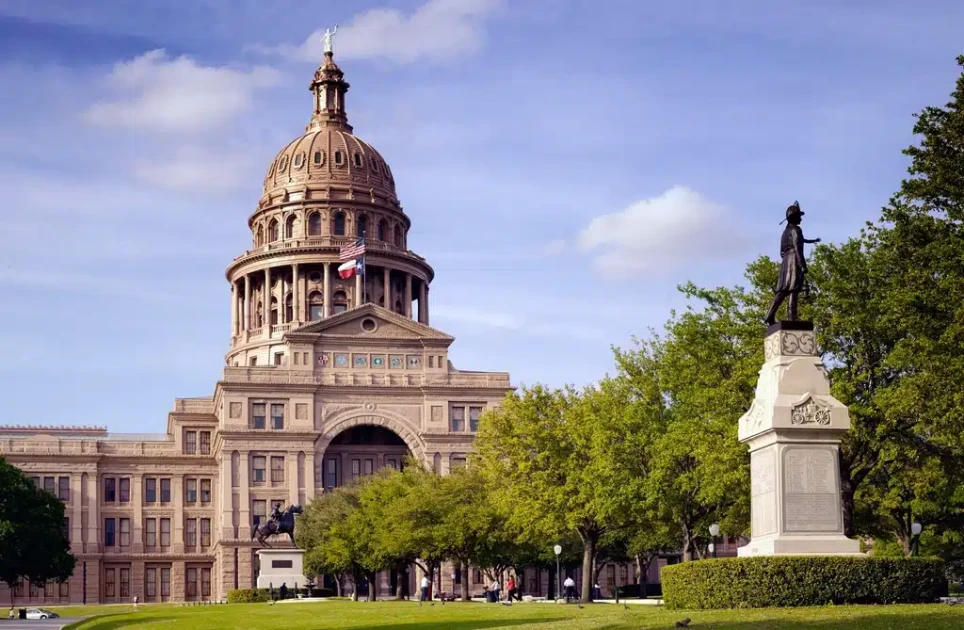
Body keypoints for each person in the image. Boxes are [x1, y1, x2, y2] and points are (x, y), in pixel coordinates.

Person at [764, 201, 821, 325]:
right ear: (794, 217)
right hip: (794, 260)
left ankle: (769, 315)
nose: (801, 218)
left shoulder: (785, 233)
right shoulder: (796, 229)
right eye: (799, 216)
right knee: (793, 289)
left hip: (785, 261)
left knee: (783, 290)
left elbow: (781, 252)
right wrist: (802, 264)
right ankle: (792, 317)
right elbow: (797, 247)